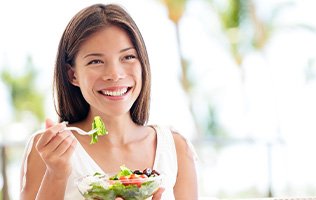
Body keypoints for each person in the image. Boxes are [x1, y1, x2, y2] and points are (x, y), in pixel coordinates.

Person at [19, 3, 198, 200]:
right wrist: (56, 175)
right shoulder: (48, 152)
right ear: (73, 75)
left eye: (128, 57)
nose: (114, 74)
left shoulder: (175, 148)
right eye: (95, 61)